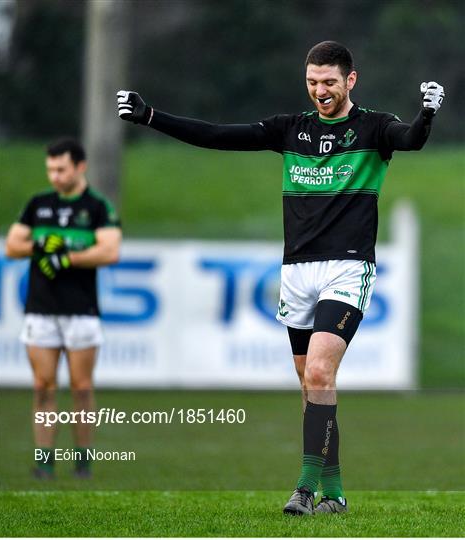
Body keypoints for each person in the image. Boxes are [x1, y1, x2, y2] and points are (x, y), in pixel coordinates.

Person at [116, 41, 444, 514]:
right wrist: (151, 117)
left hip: (348, 267)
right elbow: (217, 135)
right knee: (313, 389)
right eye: (312, 82)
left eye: (329, 82)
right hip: (297, 273)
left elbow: (411, 139)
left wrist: (427, 114)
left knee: (318, 372)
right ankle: (335, 493)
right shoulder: (292, 130)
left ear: (351, 81)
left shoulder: (374, 128)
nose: (320, 91)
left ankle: (305, 489)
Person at [5, 138, 122, 479]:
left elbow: (109, 251)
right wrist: (42, 244)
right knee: (42, 386)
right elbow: (13, 245)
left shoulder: (97, 207)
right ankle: (44, 461)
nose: (54, 176)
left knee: (81, 387)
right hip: (40, 310)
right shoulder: (38, 204)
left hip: (81, 310)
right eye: (50, 169)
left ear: (80, 167)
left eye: (61, 169)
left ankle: (83, 461)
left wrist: (65, 256)